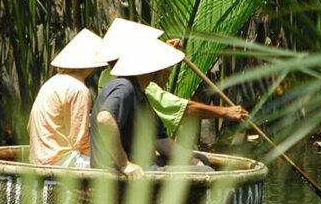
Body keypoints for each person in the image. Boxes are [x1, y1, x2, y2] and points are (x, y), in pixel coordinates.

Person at [97, 19, 248, 136]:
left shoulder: (107, 75)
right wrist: (226, 112)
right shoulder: (130, 83)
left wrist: (166, 59)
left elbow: (157, 88)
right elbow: (185, 109)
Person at [91, 38, 199, 176]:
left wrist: (191, 160)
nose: (163, 70)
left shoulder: (141, 95)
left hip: (146, 164)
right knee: (204, 171)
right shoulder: (124, 87)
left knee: (201, 161)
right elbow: (104, 119)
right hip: (121, 171)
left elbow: (160, 140)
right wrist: (124, 164)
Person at [28, 29, 107, 168]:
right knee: (114, 165)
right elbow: (80, 141)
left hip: (39, 158)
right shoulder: (79, 90)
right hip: (60, 161)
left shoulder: (52, 82)